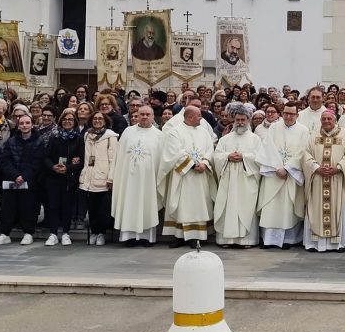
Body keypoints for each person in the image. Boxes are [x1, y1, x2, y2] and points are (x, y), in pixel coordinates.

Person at [159, 105, 215, 248]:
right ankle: (179, 236)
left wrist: (204, 163)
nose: (201, 118)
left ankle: (198, 236)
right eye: (199, 115)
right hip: (182, 177)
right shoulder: (175, 132)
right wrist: (192, 165)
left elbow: (210, 150)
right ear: (190, 117)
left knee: (199, 205)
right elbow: (174, 152)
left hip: (200, 177)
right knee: (182, 205)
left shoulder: (204, 132)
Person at [301, 109, 345, 252]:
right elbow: (306, 154)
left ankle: (339, 244)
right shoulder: (314, 135)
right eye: (323, 119)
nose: (326, 121)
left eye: (329, 119)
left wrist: (339, 167)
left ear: (335, 120)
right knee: (316, 210)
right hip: (318, 180)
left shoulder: (344, 135)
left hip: (337, 180)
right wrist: (316, 167)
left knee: (339, 210)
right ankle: (315, 244)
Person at [257, 102, 309, 248]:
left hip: (291, 174)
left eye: (292, 114)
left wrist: (287, 168)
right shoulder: (274, 127)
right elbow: (267, 148)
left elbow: (303, 151)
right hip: (274, 173)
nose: (288, 116)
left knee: (288, 208)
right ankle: (269, 240)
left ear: (297, 115)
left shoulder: (303, 130)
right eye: (286, 113)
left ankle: (288, 239)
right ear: (282, 114)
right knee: (271, 206)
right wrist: (277, 167)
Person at [110, 105, 162, 246]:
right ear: (136, 116)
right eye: (142, 114)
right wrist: (113, 176)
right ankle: (129, 237)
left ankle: (147, 238)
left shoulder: (159, 135)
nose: (144, 117)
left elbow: (161, 160)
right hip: (128, 179)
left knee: (147, 205)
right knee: (129, 205)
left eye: (147, 114)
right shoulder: (128, 132)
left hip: (149, 180)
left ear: (153, 117)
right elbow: (118, 156)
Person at [212, 106, 263, 247]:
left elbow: (260, 158)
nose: (240, 122)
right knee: (228, 207)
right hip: (228, 180)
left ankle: (247, 240)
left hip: (246, 180)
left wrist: (244, 157)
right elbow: (216, 156)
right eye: (237, 120)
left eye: (243, 120)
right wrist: (227, 156)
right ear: (233, 120)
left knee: (246, 208)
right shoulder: (225, 139)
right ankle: (226, 240)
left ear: (248, 120)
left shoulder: (255, 139)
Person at [0, 114, 43, 245]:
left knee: (28, 207)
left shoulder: (39, 141)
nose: (25, 126)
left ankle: (28, 233)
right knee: (8, 207)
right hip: (12, 180)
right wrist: (15, 176)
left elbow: (37, 163)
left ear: (32, 125)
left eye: (27, 123)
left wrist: (24, 177)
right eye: (22, 123)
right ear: (18, 126)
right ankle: (5, 234)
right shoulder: (11, 141)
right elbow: (5, 161)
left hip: (29, 180)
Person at [42, 109, 83, 246]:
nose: (67, 122)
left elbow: (82, 160)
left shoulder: (79, 139)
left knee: (67, 206)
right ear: (60, 122)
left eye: (70, 119)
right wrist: (53, 166)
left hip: (69, 177)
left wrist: (69, 168)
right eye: (65, 119)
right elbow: (46, 157)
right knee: (53, 206)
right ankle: (53, 233)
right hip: (53, 176)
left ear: (74, 122)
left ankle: (66, 233)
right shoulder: (55, 137)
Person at [79, 110, 117, 246]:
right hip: (89, 177)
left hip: (104, 178)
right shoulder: (87, 135)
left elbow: (113, 159)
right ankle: (94, 232)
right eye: (95, 118)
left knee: (103, 210)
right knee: (92, 209)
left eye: (100, 118)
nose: (97, 120)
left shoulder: (111, 137)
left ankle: (101, 233)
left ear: (105, 121)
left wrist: (111, 178)